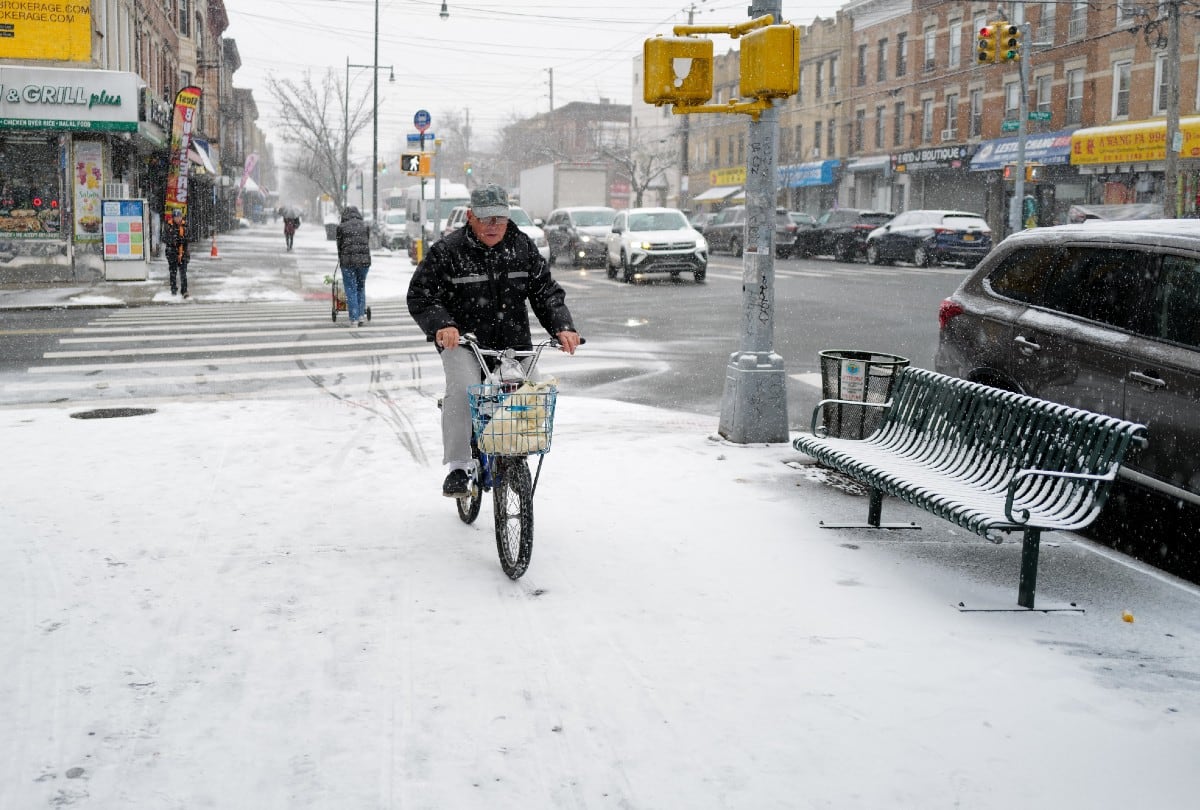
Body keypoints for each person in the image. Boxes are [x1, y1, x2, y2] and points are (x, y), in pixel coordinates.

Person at [407, 184, 581, 498]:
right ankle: (459, 466)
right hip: (464, 343)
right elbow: (421, 296)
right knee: (462, 390)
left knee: (532, 393)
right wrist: (443, 325)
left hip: (513, 341)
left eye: (499, 219)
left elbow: (545, 293)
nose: (493, 226)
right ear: (471, 216)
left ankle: (515, 456)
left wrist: (562, 326)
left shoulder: (522, 247)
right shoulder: (448, 251)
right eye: (486, 219)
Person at [335, 206, 372, 327]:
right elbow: (366, 242)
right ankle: (361, 315)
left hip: (348, 262)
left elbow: (339, 246)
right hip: (364, 262)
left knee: (351, 289)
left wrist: (341, 258)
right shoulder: (364, 226)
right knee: (360, 287)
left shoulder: (341, 227)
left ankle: (354, 318)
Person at [163, 209, 190, 298]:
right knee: (173, 272)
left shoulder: (185, 225)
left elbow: (190, 237)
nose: (178, 219)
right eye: (176, 217)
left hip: (183, 253)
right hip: (172, 253)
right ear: (173, 218)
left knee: (183, 273)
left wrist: (184, 239)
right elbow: (164, 238)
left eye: (179, 217)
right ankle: (173, 289)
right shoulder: (168, 226)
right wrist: (172, 240)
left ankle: (184, 291)